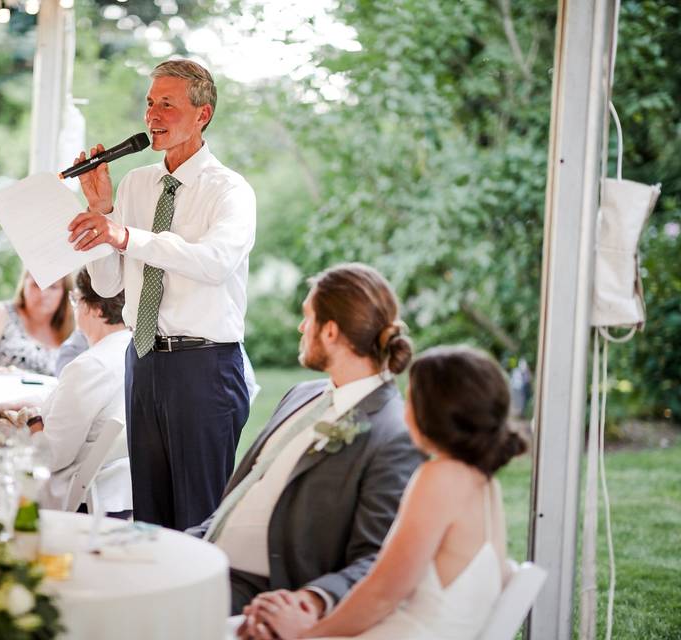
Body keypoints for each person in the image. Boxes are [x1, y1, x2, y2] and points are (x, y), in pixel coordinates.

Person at [67, 59, 256, 530]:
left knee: (200, 520)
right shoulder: (135, 184)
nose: (152, 115)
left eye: (167, 105)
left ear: (202, 114)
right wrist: (101, 212)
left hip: (204, 368)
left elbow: (213, 262)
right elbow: (109, 285)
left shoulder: (230, 190)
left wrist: (124, 235)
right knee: (149, 520)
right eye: (150, 103)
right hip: (144, 361)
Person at [186, 263, 424, 620]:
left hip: (262, 590)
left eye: (307, 317)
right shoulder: (302, 394)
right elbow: (249, 486)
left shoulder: (392, 435)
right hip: (204, 555)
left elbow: (377, 556)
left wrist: (313, 601)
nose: (301, 327)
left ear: (329, 331)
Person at [246, 346, 529, 640]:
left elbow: (383, 593)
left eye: (411, 396)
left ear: (430, 411)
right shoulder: (483, 482)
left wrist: (308, 634)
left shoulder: (439, 478)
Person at [0, 268, 132, 516]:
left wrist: (33, 420)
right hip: (109, 490)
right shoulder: (130, 352)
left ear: (94, 308)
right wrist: (3, 406)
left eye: (75, 300)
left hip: (53, 493)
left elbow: (51, 457)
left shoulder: (90, 365)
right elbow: (62, 397)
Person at [0, 270, 86, 377]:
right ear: (24, 285)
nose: (43, 293)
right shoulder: (1, 313)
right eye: (35, 285)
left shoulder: (75, 333)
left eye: (52, 287)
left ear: (65, 293)